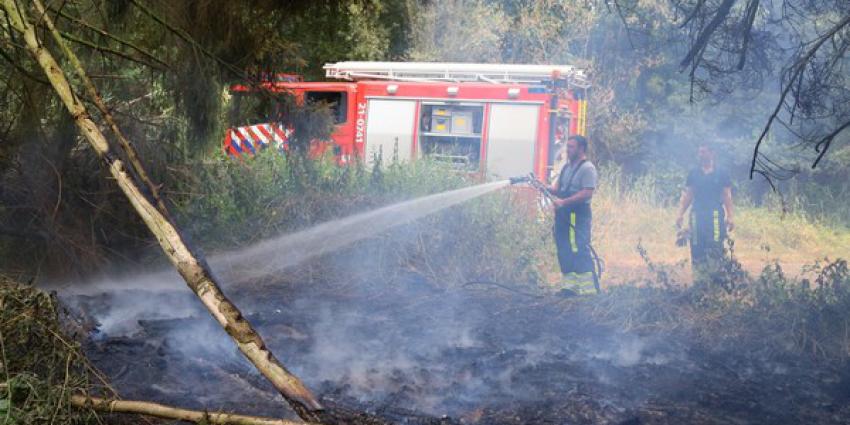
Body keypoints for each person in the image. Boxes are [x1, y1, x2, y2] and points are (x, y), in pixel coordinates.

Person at [675, 142, 735, 280]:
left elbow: (727, 195)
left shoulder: (722, 173)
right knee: (696, 247)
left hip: (714, 214)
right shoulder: (694, 173)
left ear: (712, 153)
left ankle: (715, 281)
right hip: (696, 215)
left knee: (714, 247)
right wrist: (680, 214)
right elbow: (688, 195)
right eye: (699, 152)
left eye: (703, 152)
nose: (700, 155)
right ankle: (699, 281)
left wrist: (730, 216)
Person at [550, 135, 598, 296]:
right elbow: (557, 189)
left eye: (571, 147)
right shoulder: (566, 167)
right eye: (567, 146)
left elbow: (587, 192)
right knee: (564, 248)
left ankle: (589, 290)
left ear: (581, 149)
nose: (567, 150)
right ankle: (569, 288)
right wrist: (541, 185)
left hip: (578, 214)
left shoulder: (587, 168)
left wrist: (564, 202)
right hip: (563, 214)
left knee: (578, 248)